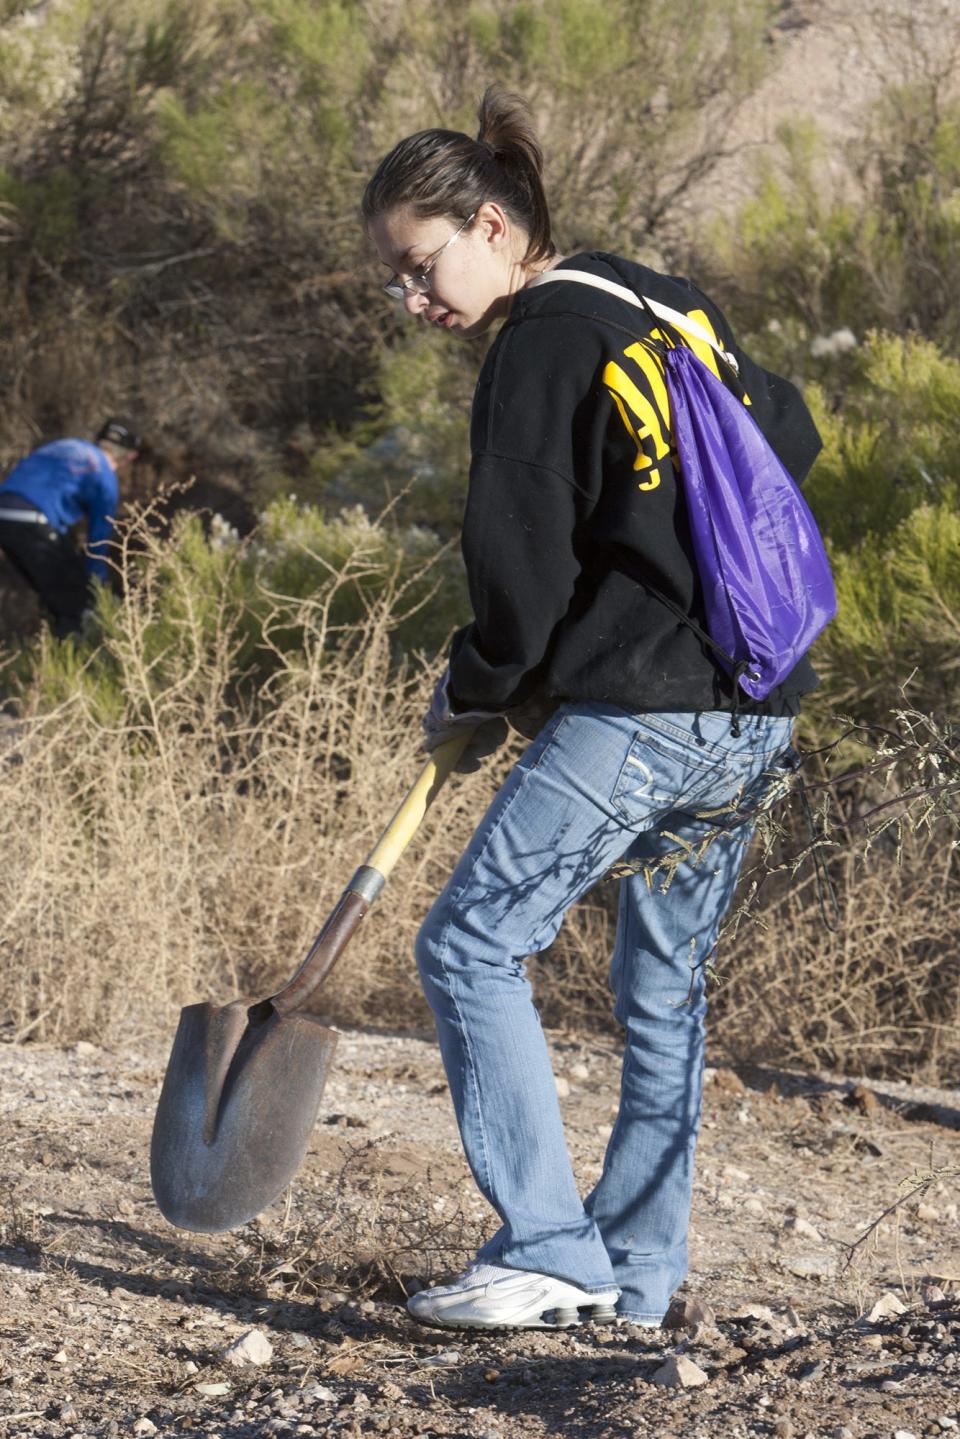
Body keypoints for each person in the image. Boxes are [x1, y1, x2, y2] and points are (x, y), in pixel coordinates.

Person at [362, 86, 822, 1333]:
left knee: (468, 943)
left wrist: (476, 685)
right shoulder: (655, 297)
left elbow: (518, 573)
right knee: (664, 988)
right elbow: (798, 428)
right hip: (757, 701)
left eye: (422, 265)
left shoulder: (536, 342)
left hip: (645, 705)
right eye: (397, 281)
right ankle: (638, 1274)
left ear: (495, 225)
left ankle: (552, 1247)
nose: (414, 300)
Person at [0, 417, 141, 637]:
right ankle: (73, 659)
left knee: (56, 590)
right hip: (33, 521)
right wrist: (97, 591)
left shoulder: (66, 446)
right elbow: (98, 542)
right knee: (76, 605)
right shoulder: (105, 478)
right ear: (130, 456)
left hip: (5, 515)